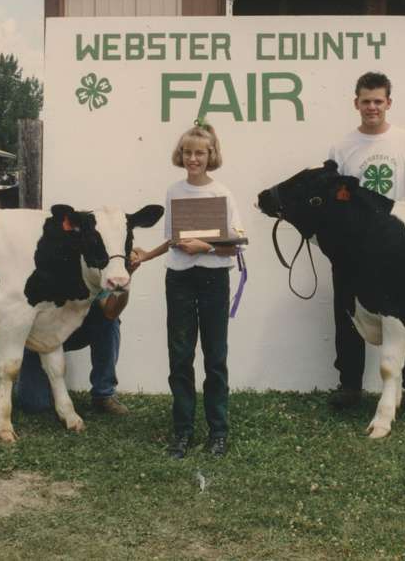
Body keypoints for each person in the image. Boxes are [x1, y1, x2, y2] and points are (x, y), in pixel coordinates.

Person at [327, 71, 405, 417]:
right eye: (366, 101)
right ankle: (349, 386)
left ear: (388, 104)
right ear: (356, 103)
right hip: (354, 248)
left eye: (378, 101)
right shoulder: (341, 148)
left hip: (398, 249)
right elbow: (334, 197)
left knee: (400, 318)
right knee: (348, 315)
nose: (372, 107)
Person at [134, 121, 244, 459]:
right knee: (180, 357)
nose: (192, 159)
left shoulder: (222, 193)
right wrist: (145, 256)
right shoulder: (174, 191)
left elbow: (235, 245)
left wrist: (206, 247)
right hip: (179, 279)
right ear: (180, 155)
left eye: (199, 153)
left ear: (211, 155)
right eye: (187, 152)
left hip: (213, 279)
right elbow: (173, 239)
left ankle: (218, 433)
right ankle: (181, 432)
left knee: (215, 357)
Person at [14, 254, 144, 418]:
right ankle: (24, 380)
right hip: (40, 338)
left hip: (75, 329)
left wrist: (127, 275)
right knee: (34, 405)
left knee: (108, 321)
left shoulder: (91, 266)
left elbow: (111, 311)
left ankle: (104, 394)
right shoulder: (39, 260)